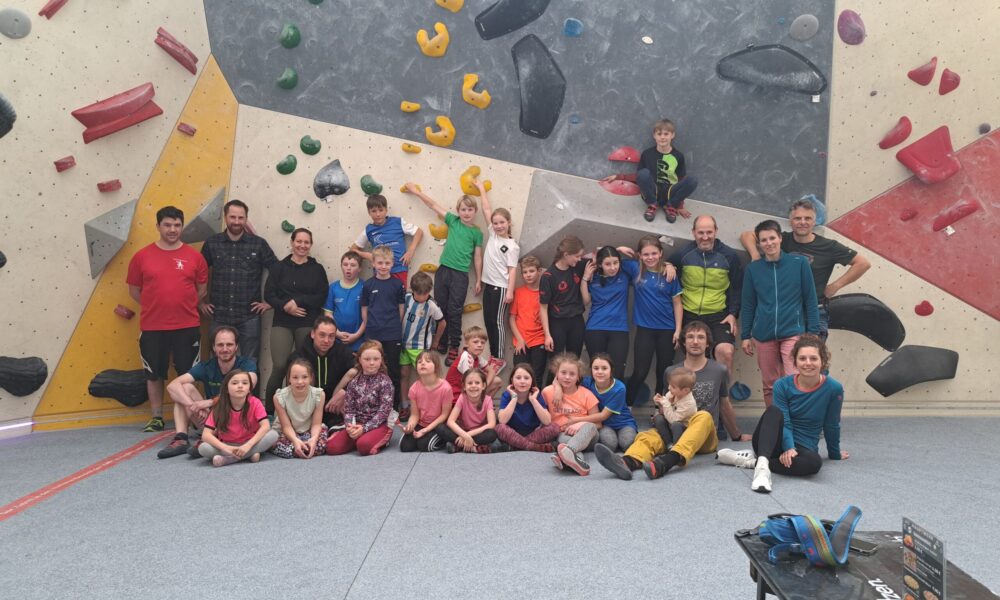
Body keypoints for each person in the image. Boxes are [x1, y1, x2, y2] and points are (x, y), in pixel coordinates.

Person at [594, 321, 750, 480]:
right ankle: (627, 462)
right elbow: (665, 404)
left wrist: (736, 435)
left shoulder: (719, 370)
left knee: (704, 416)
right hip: (673, 431)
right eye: (690, 337)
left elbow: (724, 404)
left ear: (708, 343)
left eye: (700, 337)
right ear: (683, 342)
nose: (695, 341)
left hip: (703, 436)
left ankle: (668, 461)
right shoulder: (671, 371)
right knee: (648, 436)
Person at [717, 335, 848, 493]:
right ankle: (762, 471)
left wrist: (834, 453)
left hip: (804, 448)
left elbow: (832, 424)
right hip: (770, 442)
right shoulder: (782, 385)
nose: (808, 363)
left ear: (823, 361)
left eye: (813, 358)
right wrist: (789, 447)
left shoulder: (834, 388)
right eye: (802, 358)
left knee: (814, 463)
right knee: (773, 411)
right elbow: (784, 421)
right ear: (795, 362)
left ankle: (755, 462)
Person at [126, 205, 208, 432]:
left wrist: (180, 305)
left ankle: (192, 414)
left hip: (188, 325)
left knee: (189, 374)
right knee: (154, 373)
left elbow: (201, 289)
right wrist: (156, 306)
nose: (172, 229)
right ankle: (156, 416)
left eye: (177, 225)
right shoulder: (141, 257)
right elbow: (134, 291)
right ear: (158, 226)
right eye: (167, 225)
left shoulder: (195, 257)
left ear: (182, 227)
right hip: (153, 326)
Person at [739, 199, 870, 340]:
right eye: (797, 218)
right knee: (787, 361)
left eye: (808, 218)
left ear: (815, 221)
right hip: (787, 313)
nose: (802, 222)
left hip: (815, 310)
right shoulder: (782, 240)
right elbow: (747, 235)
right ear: (790, 221)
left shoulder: (829, 246)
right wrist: (755, 255)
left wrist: (836, 286)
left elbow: (862, 263)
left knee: (810, 359)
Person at [740, 220, 819, 407]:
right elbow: (749, 303)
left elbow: (810, 299)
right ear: (759, 243)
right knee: (770, 384)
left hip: (793, 331)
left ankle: (798, 421)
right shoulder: (753, 269)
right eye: (764, 240)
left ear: (780, 238)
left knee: (795, 379)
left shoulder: (799, 263)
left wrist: (813, 333)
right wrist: (745, 335)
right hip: (763, 334)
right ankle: (774, 424)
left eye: (772, 238)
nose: (769, 243)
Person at [405, 182, 484, 366]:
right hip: (443, 271)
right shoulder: (453, 221)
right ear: (458, 210)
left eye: (470, 209)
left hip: (460, 275)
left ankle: (454, 346)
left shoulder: (476, 233)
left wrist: (479, 279)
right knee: (440, 307)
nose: (466, 213)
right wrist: (417, 191)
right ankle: (441, 339)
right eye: (463, 209)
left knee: (454, 311)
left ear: (475, 211)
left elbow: (477, 257)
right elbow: (433, 205)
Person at [157, 326, 259, 459]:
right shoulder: (207, 366)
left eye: (229, 344)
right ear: (214, 347)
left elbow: (246, 389)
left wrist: (209, 402)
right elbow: (172, 386)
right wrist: (192, 405)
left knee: (236, 395)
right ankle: (181, 438)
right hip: (210, 418)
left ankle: (210, 440)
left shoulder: (247, 365)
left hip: (236, 420)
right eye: (220, 345)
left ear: (236, 347)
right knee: (184, 388)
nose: (225, 349)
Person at [199, 199, 277, 361]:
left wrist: (271, 302)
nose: (236, 221)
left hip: (249, 316)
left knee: (251, 363)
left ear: (246, 218)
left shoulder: (258, 244)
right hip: (219, 315)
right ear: (225, 217)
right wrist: (200, 303)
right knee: (217, 364)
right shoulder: (212, 243)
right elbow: (196, 273)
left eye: (240, 218)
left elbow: (278, 272)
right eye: (232, 217)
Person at [667, 215, 742, 377]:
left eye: (709, 232)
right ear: (693, 232)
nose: (705, 237)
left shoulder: (729, 256)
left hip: (718, 315)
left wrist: (733, 313)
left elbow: (737, 287)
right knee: (693, 355)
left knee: (726, 352)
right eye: (701, 233)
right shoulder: (684, 254)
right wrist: (668, 265)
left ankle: (723, 398)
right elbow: (663, 263)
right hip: (689, 314)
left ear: (716, 231)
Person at [263, 228, 329, 406]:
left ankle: (304, 407)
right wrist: (285, 306)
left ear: (311, 245)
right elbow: (269, 294)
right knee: (280, 365)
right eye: (299, 241)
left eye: (306, 242)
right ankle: (269, 410)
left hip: (307, 321)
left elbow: (321, 296)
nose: (302, 245)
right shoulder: (279, 267)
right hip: (282, 322)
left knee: (304, 367)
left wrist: (297, 301)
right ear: (292, 243)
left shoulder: (317, 269)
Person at [622, 235, 684, 406]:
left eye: (654, 253)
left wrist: (678, 331)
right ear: (639, 255)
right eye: (646, 254)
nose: (650, 257)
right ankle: (627, 406)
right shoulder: (634, 268)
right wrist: (620, 249)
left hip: (668, 331)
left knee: (663, 373)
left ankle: (660, 409)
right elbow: (606, 258)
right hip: (645, 330)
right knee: (640, 372)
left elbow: (678, 304)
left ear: (661, 253)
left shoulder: (669, 273)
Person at [601, 118, 698, 224]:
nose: (662, 137)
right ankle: (652, 205)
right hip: (652, 192)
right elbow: (639, 176)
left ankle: (670, 206)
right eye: (659, 134)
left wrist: (680, 205)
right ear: (654, 136)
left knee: (692, 180)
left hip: (670, 192)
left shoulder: (678, 156)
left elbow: (681, 179)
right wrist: (619, 177)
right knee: (643, 174)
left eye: (666, 134)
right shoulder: (647, 154)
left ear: (672, 135)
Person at [325, 341, 395, 456]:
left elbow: (383, 412)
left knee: (364, 447)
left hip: (379, 424)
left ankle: (376, 439)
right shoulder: (353, 383)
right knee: (331, 447)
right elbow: (349, 409)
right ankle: (357, 437)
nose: (371, 363)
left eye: (376, 359)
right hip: (357, 423)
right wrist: (349, 427)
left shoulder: (385, 382)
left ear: (381, 360)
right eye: (367, 359)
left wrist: (364, 428)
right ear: (359, 360)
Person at [198, 369, 278, 467]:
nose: (240, 386)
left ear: (249, 389)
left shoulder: (255, 402)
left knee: (274, 435)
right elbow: (206, 435)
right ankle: (249, 455)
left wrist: (248, 446)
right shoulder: (220, 405)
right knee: (203, 448)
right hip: (227, 445)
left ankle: (229, 459)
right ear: (226, 388)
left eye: (244, 383)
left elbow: (265, 426)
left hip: (250, 443)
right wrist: (225, 448)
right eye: (235, 383)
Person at [287, 315, 356, 429]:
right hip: (308, 408)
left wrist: (345, 392)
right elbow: (291, 388)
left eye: (331, 336)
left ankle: (339, 427)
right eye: (322, 335)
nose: (326, 340)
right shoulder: (298, 357)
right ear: (313, 334)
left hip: (334, 406)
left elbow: (360, 373)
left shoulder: (343, 352)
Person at [477, 181, 520, 363]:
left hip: (501, 288)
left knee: (497, 322)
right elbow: (487, 209)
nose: (498, 226)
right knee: (488, 321)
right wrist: (481, 189)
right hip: (489, 286)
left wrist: (510, 291)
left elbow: (512, 270)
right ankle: (494, 354)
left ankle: (499, 357)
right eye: (495, 223)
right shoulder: (493, 235)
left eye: (502, 222)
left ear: (509, 223)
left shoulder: (512, 246)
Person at [361, 245, 406, 410]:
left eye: (387, 263)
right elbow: (364, 309)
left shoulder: (397, 284)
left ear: (392, 263)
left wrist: (394, 324)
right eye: (380, 263)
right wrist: (369, 326)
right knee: (372, 371)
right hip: (373, 334)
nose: (383, 266)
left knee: (393, 372)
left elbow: (401, 308)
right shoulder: (368, 285)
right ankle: (372, 406)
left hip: (393, 334)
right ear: (373, 263)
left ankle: (393, 408)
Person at [539, 236, 589, 381]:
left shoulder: (578, 266)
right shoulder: (548, 276)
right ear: (566, 254)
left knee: (574, 363)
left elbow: (600, 258)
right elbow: (543, 308)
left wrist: (619, 249)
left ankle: (571, 397)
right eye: (577, 256)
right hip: (557, 323)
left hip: (576, 321)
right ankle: (550, 398)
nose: (580, 259)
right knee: (556, 364)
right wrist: (547, 335)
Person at [544, 353, 601, 476]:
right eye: (563, 373)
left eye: (572, 374)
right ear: (556, 374)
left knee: (589, 427)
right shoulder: (548, 392)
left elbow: (598, 423)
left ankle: (563, 456)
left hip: (588, 435)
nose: (567, 377)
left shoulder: (587, 394)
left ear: (578, 377)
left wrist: (580, 423)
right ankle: (577, 463)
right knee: (565, 443)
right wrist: (557, 389)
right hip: (564, 433)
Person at [581, 246, 631, 381]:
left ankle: (614, 402)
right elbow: (586, 301)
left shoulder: (625, 274)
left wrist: (618, 249)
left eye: (615, 263)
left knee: (618, 371)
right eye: (608, 264)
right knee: (598, 372)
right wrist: (585, 279)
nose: (613, 267)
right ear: (600, 264)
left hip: (619, 329)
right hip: (595, 328)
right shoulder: (593, 276)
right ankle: (596, 402)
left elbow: (646, 262)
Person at [350, 194, 423, 286]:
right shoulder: (368, 230)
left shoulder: (398, 222)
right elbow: (352, 250)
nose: (378, 214)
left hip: (399, 269)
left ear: (386, 210)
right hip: (380, 272)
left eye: (381, 210)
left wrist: (411, 250)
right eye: (374, 211)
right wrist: (367, 255)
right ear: (369, 212)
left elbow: (419, 232)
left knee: (399, 298)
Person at [399, 271, 445, 413]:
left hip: (419, 347)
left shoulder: (431, 305)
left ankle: (428, 406)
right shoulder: (406, 298)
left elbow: (442, 323)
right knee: (404, 374)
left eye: (425, 294)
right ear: (413, 290)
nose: (422, 297)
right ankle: (405, 405)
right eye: (419, 294)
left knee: (425, 375)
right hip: (402, 344)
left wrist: (435, 341)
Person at [495, 363, 559, 452]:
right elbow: (502, 421)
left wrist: (533, 400)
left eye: (526, 378)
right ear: (512, 380)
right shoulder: (507, 395)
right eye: (518, 378)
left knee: (554, 427)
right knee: (499, 428)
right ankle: (534, 447)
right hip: (512, 434)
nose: (522, 381)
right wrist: (514, 398)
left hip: (534, 434)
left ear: (532, 381)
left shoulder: (536, 396)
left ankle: (516, 446)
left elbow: (547, 421)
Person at [270, 359, 327, 459]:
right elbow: (286, 427)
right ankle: (302, 447)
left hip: (308, 430)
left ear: (311, 378)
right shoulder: (279, 397)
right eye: (295, 377)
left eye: (304, 377)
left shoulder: (319, 395)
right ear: (289, 379)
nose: (300, 382)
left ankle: (306, 446)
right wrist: (295, 440)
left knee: (321, 444)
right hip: (287, 432)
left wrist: (313, 440)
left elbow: (316, 424)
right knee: (279, 445)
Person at [399, 351, 452, 452]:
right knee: (405, 447)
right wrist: (410, 427)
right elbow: (414, 415)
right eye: (419, 362)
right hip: (422, 423)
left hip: (438, 425)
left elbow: (444, 415)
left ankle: (443, 439)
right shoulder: (414, 388)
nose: (422, 363)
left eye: (427, 361)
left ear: (436, 367)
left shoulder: (445, 388)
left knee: (423, 445)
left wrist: (426, 430)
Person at [582, 354, 637, 452]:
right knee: (610, 446)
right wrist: (558, 390)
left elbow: (603, 415)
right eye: (596, 368)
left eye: (604, 368)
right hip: (605, 425)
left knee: (627, 444)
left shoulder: (619, 388)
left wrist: (575, 420)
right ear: (591, 370)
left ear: (611, 370)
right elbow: (561, 378)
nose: (600, 372)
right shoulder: (587, 382)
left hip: (624, 423)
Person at [509, 255, 548, 384]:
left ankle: (535, 403)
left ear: (539, 271)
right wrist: (520, 339)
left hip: (539, 340)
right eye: (525, 272)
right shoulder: (519, 292)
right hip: (521, 342)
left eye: (531, 271)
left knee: (536, 377)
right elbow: (512, 318)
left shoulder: (545, 293)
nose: (528, 275)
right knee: (519, 377)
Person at [439, 368, 498, 454]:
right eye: (470, 383)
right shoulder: (462, 397)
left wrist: (468, 435)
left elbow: (492, 424)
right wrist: (465, 435)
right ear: (464, 386)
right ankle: (475, 448)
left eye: (477, 383)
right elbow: (450, 421)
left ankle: (459, 446)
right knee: (440, 427)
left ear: (483, 386)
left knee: (492, 434)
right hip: (463, 431)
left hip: (478, 433)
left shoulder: (487, 400)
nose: (473, 386)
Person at [444, 326, 502, 400]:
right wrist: (482, 386)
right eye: (475, 342)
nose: (479, 345)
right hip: (455, 396)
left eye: (482, 342)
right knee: (476, 384)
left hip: (468, 390)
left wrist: (486, 384)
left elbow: (492, 371)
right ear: (466, 344)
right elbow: (470, 381)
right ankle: (480, 407)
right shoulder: (465, 357)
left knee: (497, 381)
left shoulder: (477, 357)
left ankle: (485, 405)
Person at [323, 251, 365, 352]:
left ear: (359, 268)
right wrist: (336, 333)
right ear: (341, 266)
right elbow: (328, 313)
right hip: (337, 338)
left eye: (353, 265)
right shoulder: (333, 287)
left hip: (359, 339)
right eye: (345, 264)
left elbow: (368, 316)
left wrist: (356, 335)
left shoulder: (365, 286)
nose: (348, 268)